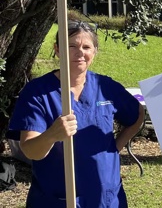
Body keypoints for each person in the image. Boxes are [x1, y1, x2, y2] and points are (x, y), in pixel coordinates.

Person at [9, 20, 145, 207]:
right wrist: (52, 135)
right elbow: (31, 150)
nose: (80, 52)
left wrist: (115, 147)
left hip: (106, 197)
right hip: (58, 198)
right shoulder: (37, 92)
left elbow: (137, 114)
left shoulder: (105, 87)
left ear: (94, 52)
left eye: (86, 47)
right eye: (71, 45)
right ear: (57, 49)